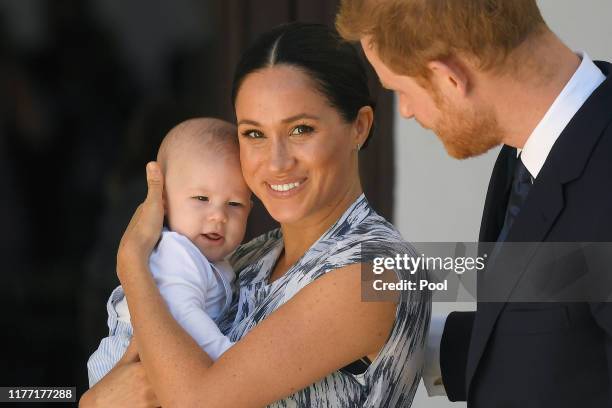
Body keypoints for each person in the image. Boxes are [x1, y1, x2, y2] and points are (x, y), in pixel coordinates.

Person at [79, 23, 431, 407]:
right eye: (254, 134)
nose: (276, 163)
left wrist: (132, 263)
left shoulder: (374, 271)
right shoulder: (248, 258)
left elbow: (198, 401)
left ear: (359, 127)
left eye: (300, 129)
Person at [336, 0, 612, 407]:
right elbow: (559, 340)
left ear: (449, 77)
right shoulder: (527, 153)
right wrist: (389, 331)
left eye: (399, 91)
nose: (407, 111)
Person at [87, 118, 251, 386]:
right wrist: (228, 359)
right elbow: (184, 315)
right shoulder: (177, 252)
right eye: (201, 199)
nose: (218, 216)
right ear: (163, 200)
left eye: (234, 204)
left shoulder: (215, 260)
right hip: (129, 363)